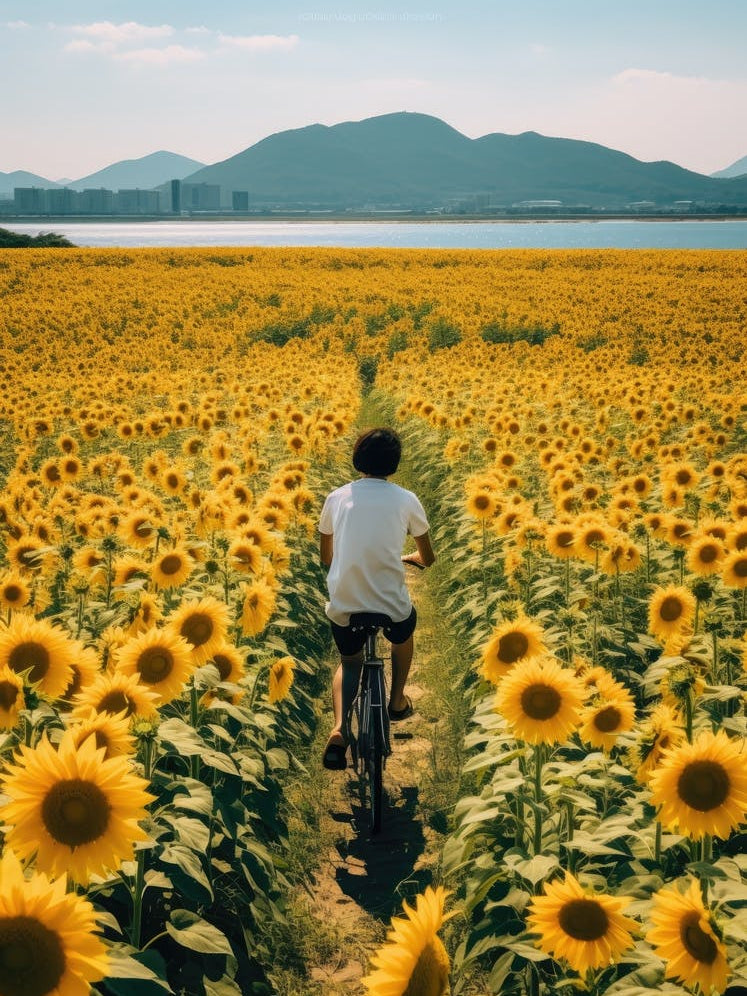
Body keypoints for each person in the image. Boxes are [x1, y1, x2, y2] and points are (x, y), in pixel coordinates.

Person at [318, 426, 435, 770]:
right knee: (404, 630)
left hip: (345, 603)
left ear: (358, 459)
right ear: (395, 463)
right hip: (390, 606)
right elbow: (427, 557)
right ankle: (396, 701)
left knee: (350, 661)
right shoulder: (406, 499)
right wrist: (409, 558)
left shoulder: (336, 498)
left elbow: (327, 556)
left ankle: (339, 729)